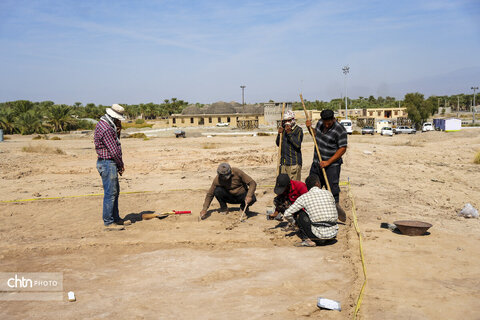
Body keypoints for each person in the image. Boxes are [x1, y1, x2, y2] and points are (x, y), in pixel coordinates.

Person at [306, 109, 347, 222]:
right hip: (317, 162)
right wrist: (309, 128)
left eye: (329, 123)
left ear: (333, 119)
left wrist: (328, 162)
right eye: (325, 123)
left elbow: (342, 148)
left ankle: (335, 208)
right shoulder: (320, 123)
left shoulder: (340, 130)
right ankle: (313, 210)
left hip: (332, 165)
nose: (327, 125)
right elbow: (315, 135)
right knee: (312, 186)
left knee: (332, 189)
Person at [94, 104, 129, 230]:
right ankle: (109, 222)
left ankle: (116, 218)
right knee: (111, 193)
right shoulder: (107, 128)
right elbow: (114, 150)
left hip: (108, 162)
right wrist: (120, 164)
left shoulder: (106, 124)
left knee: (114, 192)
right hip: (107, 163)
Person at [284, 174, 338, 247]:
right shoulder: (328, 193)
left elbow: (287, 213)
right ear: (318, 184)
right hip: (333, 234)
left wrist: (293, 222)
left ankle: (307, 240)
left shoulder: (304, 197)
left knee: (300, 213)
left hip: (317, 236)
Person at [276, 110, 304, 181]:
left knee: (294, 186)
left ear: (292, 120)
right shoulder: (283, 130)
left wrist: (289, 133)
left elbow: (297, 145)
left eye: (288, 120)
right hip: (284, 163)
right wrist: (279, 134)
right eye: (285, 121)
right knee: (284, 186)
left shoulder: (298, 130)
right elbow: (278, 143)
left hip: (293, 163)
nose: (286, 123)